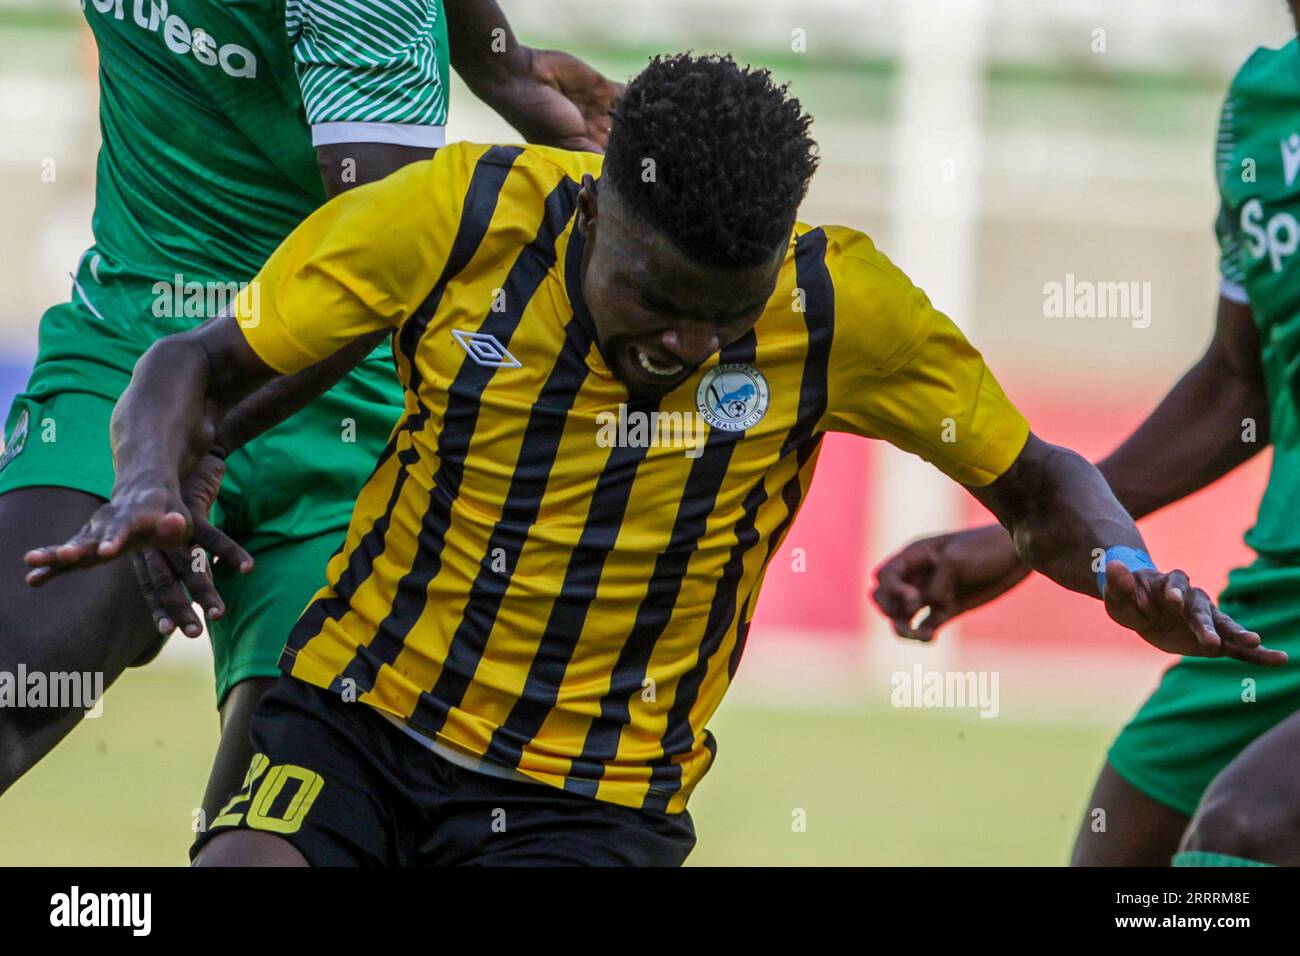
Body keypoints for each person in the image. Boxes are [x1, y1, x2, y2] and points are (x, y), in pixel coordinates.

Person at [28, 53, 1283, 866]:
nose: (688, 341)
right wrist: (146, 479)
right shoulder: (457, 215)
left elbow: (1038, 479)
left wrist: (1117, 557)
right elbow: (188, 365)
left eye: (722, 316)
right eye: (657, 297)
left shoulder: (844, 309)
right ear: (595, 204)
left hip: (593, 796)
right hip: (353, 711)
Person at [0, 0, 620, 823]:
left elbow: (382, 257)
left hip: (348, 407)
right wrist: (503, 62)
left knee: (280, 834)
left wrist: (198, 427)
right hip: (130, 346)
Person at [872, 5, 1300, 868]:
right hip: (1280, 601)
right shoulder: (1262, 104)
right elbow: (1237, 383)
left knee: (1246, 832)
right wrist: (1024, 536)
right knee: (1124, 847)